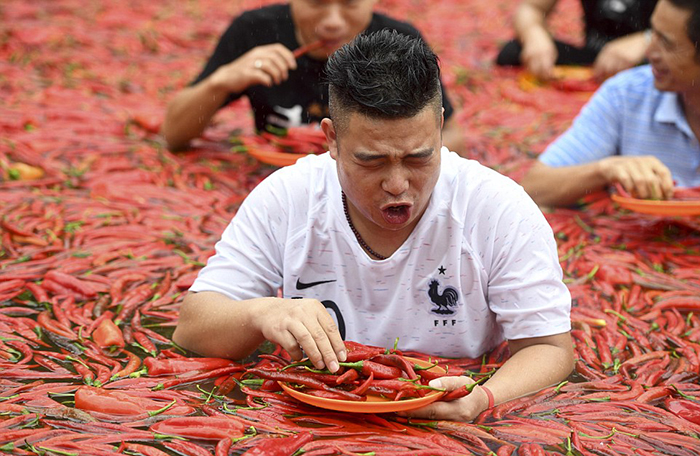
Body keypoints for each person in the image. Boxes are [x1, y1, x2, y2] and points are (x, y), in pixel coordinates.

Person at [173, 30, 573, 422]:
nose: (397, 184)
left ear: (439, 126)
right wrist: (261, 313)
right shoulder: (289, 197)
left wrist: (484, 397)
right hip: (318, 411)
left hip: (446, 417)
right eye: (371, 161)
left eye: (418, 158)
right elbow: (192, 328)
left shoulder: (498, 209)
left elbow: (550, 347)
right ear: (331, 139)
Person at [161, 0, 464, 154]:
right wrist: (223, 80)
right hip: (272, 176)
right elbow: (174, 135)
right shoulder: (255, 31)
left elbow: (449, 133)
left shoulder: (398, 42)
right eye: (317, 2)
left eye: (350, 3)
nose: (332, 22)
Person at [521, 0, 700, 208]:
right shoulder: (626, 94)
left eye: (667, 43)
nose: (649, 52)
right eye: (652, 33)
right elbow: (533, 188)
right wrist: (606, 169)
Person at [496, 0, 658, 80]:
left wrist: (646, 39)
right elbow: (531, 8)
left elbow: (682, 29)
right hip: (595, 60)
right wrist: (534, 35)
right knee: (512, 52)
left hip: (652, 62)